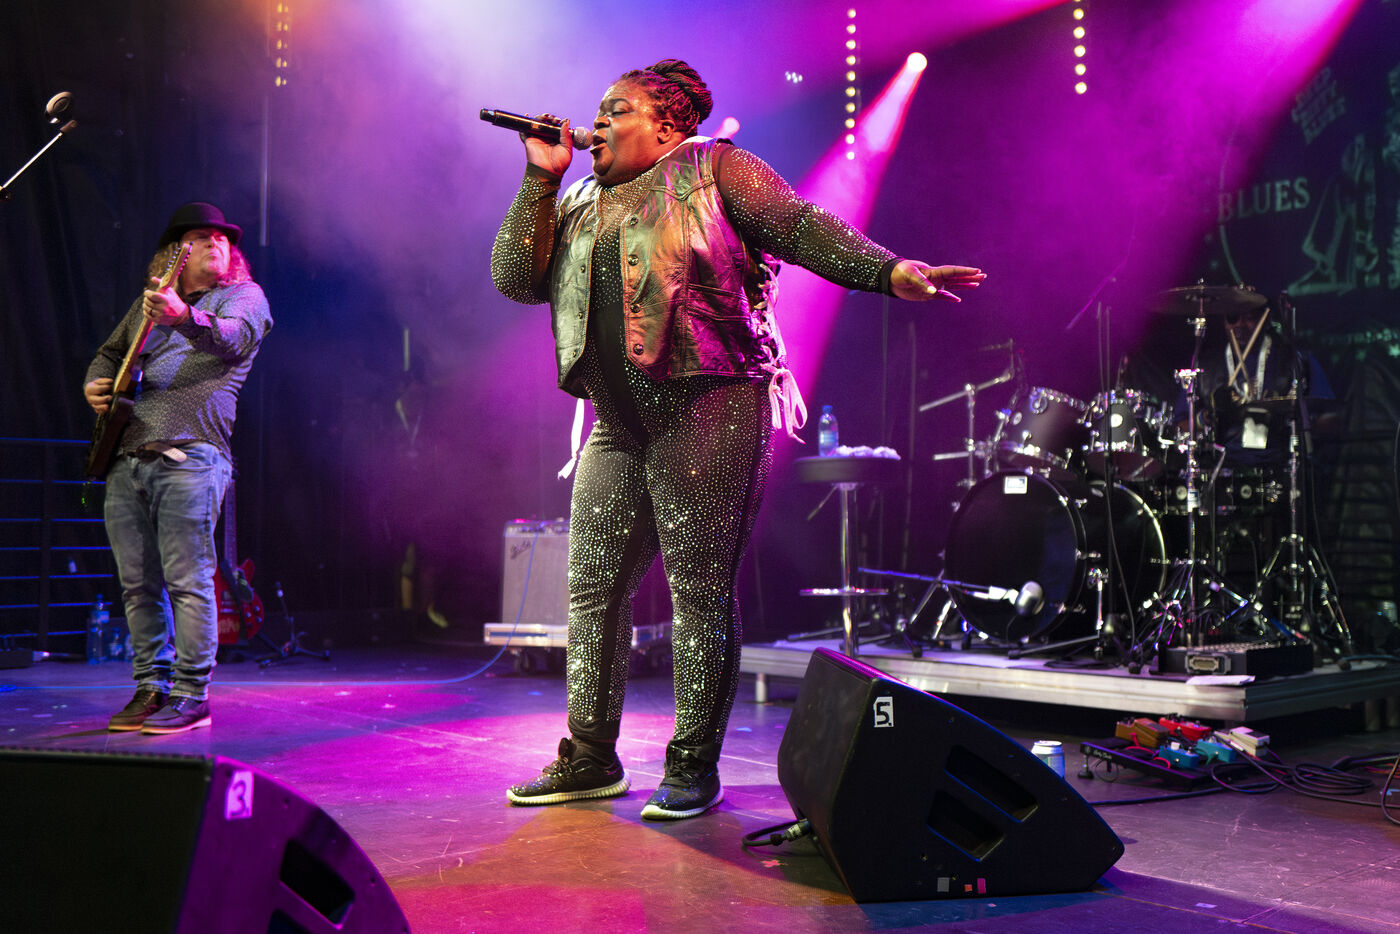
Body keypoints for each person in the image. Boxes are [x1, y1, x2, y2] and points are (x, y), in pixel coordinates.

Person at [490, 59, 983, 820]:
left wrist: (888, 271)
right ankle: (589, 757)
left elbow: (803, 227)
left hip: (710, 404)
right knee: (592, 591)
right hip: (616, 423)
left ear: (666, 125)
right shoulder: (580, 197)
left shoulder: (716, 169)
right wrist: (539, 180)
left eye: (616, 109)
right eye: (599, 109)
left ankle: (693, 767)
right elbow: (515, 279)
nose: (597, 121)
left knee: (698, 591)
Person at [84, 202, 273, 734]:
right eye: (202, 236)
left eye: (223, 238)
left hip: (192, 456)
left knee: (188, 580)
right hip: (127, 458)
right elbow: (108, 354)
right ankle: (151, 687)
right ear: (175, 254)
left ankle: (192, 693)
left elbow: (233, 338)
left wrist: (183, 317)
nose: (217, 243)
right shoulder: (147, 306)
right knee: (138, 586)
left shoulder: (242, 297)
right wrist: (93, 383)